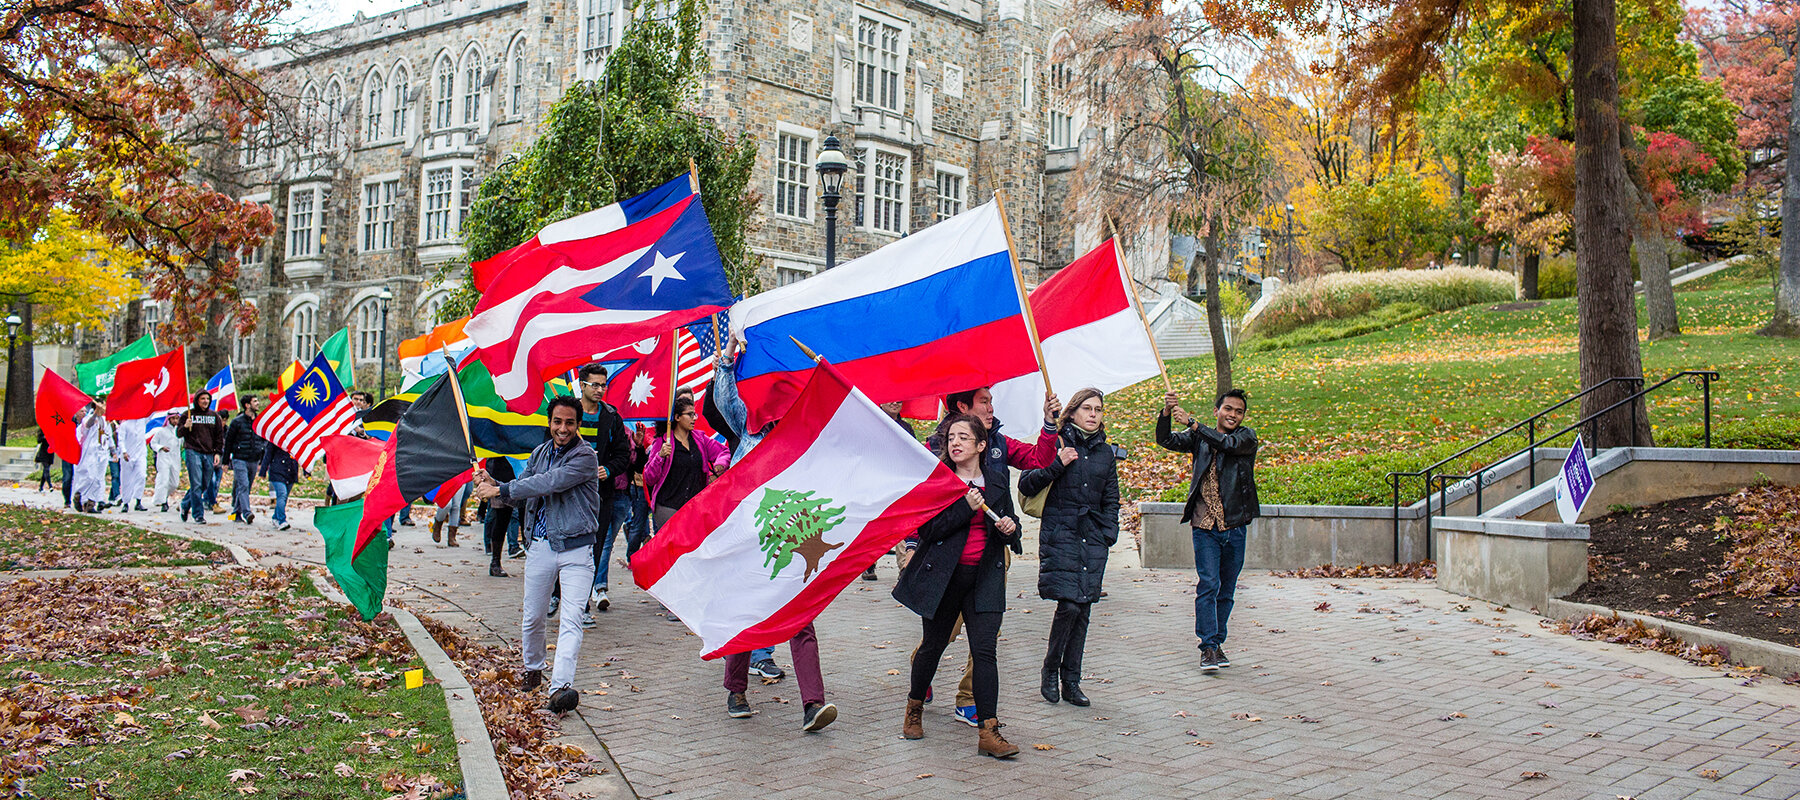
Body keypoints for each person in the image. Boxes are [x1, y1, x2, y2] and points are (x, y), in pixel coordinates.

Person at [912, 386, 1061, 727]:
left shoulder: (998, 443)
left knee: (984, 642)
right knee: (940, 638)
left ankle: (971, 705)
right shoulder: (936, 447)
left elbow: (1038, 459)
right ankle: (921, 676)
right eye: (984, 401)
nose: (992, 408)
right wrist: (909, 547)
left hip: (990, 562)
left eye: (992, 401)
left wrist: (1049, 426)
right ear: (962, 405)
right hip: (948, 565)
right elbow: (921, 509)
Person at [894, 414, 1023, 759]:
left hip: (984, 579)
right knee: (932, 647)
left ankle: (989, 732)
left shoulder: (996, 481)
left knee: (985, 652)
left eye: (964, 437)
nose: (955, 443)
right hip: (945, 580)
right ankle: (914, 707)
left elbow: (1011, 527)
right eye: (951, 437)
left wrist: (1011, 528)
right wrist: (965, 508)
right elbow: (930, 531)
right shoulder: (940, 481)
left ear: (981, 445)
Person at [470, 396, 598, 715]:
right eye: (557, 422)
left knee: (571, 619)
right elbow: (525, 490)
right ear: (549, 422)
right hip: (540, 545)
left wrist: (500, 490)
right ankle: (533, 668)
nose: (563, 428)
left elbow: (550, 483)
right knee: (533, 616)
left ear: (578, 425)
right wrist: (493, 484)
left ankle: (560, 688)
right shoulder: (540, 453)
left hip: (577, 548)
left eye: (570, 422)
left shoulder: (585, 457)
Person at [1019, 388, 1118, 706]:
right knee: (1070, 605)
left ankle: (1071, 682)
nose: (1093, 414)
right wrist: (1056, 465)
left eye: (1098, 409)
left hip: (1094, 539)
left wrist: (1108, 533)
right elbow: (1027, 482)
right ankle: (1050, 670)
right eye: (1087, 408)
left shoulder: (1105, 452)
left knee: (1084, 608)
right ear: (1072, 412)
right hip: (1061, 534)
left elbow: (1111, 497)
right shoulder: (1056, 442)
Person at [1157, 388, 1260, 673]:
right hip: (1204, 526)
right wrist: (1167, 414)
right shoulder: (1199, 439)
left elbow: (1227, 444)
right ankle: (1208, 647)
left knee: (1226, 589)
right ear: (1217, 411)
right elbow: (1165, 439)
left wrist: (1193, 424)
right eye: (1228, 409)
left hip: (1235, 525)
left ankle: (1217, 641)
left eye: (1238, 411)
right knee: (1209, 584)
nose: (1233, 415)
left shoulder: (1246, 438)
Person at [643, 396, 729, 622]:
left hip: (693, 506)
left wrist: (719, 465)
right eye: (690, 414)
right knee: (672, 555)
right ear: (677, 418)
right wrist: (660, 457)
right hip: (667, 506)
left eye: (694, 414)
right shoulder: (661, 443)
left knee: (692, 553)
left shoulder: (699, 439)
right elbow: (649, 477)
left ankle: (690, 600)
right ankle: (673, 603)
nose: (694, 418)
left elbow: (723, 451)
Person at [574, 363, 632, 625]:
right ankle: (556, 594)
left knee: (594, 549)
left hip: (600, 496)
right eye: (595, 385)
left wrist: (608, 469)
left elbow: (623, 455)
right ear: (582, 385)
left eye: (603, 385)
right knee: (564, 547)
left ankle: (583, 604)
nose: (600, 390)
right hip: (569, 495)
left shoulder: (611, 417)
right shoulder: (567, 413)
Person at [176, 390, 226, 524]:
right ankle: (198, 515)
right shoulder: (188, 414)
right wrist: (186, 426)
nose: (205, 401)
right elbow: (179, 433)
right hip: (193, 451)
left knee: (204, 483)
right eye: (202, 399)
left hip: (209, 453)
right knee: (196, 483)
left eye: (207, 399)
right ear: (197, 400)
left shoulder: (214, 416)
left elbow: (219, 437)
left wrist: (217, 453)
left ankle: (185, 504)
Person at [221, 394, 266, 525]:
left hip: (254, 459)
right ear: (247, 405)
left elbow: (263, 441)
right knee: (243, 484)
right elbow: (228, 442)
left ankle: (235, 514)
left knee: (246, 487)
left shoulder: (259, 421)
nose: (258, 403)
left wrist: (261, 461)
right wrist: (225, 462)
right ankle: (247, 512)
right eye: (255, 401)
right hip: (239, 458)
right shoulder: (237, 422)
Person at [482, 456, 517, 577]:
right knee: (501, 519)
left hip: (522, 475)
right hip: (501, 475)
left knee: (525, 518)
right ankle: (495, 562)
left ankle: (532, 562)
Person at [71, 404, 108, 512]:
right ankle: (78, 495)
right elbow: (88, 425)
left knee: (97, 479)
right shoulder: (87, 420)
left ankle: (91, 504)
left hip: (100, 453)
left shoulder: (103, 420)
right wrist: (95, 414)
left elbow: (106, 435)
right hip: (87, 454)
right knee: (89, 478)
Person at [261, 442, 300, 531]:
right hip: (277, 471)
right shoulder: (276, 438)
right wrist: (263, 471)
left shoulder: (295, 439)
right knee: (282, 494)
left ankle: (276, 517)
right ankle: (282, 520)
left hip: (291, 472)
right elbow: (268, 454)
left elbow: (301, 455)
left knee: (284, 497)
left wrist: (306, 471)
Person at [114, 415, 148, 512]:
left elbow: (152, 412)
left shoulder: (143, 421)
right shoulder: (125, 425)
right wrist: (124, 451)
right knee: (126, 479)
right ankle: (125, 502)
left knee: (141, 476)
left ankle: (138, 501)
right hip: (127, 456)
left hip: (140, 454)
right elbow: (121, 440)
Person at [150, 410, 182, 511]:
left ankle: (161, 496)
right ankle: (163, 502)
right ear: (169, 419)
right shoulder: (161, 431)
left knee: (174, 483)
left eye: (177, 418)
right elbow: (153, 443)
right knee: (163, 480)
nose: (175, 421)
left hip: (175, 458)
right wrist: (161, 447)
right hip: (164, 457)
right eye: (173, 418)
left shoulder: (179, 431)